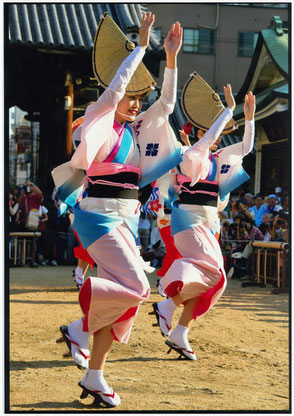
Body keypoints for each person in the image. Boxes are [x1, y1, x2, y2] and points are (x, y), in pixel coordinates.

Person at [56, 13, 183, 408]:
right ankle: (79, 328)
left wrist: (172, 58)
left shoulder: (134, 131)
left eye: (137, 100)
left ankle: (94, 374)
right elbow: (114, 92)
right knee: (141, 288)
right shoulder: (98, 121)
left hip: (124, 222)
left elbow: (167, 103)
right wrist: (143, 45)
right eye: (131, 96)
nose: (135, 103)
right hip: (97, 218)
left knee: (127, 304)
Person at [153, 84, 255, 360]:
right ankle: (168, 304)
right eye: (210, 130)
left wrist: (248, 118)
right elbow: (208, 139)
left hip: (207, 223)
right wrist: (229, 109)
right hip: (188, 220)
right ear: (201, 132)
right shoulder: (190, 156)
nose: (216, 135)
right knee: (215, 273)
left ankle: (180, 331)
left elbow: (246, 147)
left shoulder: (218, 158)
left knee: (215, 283)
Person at [19, 181, 43, 267]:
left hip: (34, 222)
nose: (29, 188)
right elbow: (18, 202)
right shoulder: (24, 197)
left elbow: (40, 193)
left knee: (33, 242)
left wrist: (32, 185)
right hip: (24, 221)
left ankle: (32, 261)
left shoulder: (36, 196)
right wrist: (23, 190)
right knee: (23, 242)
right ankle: (22, 261)